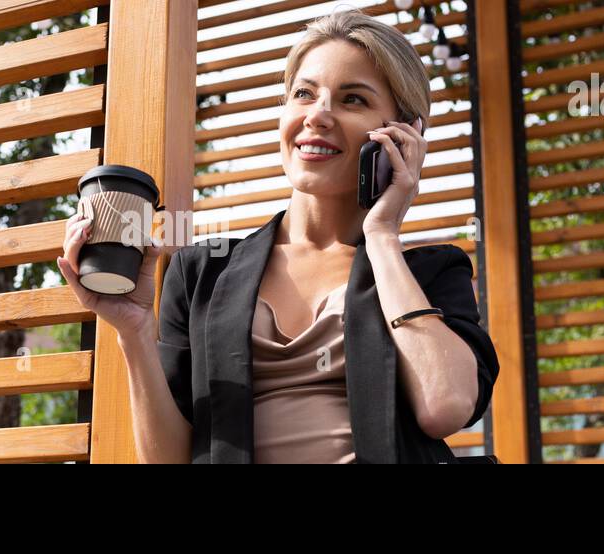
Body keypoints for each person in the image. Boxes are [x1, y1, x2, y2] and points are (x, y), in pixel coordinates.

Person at [57, 9, 499, 463]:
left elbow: (445, 406)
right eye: (304, 94)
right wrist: (134, 332)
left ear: (404, 135)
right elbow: (169, 459)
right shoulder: (200, 271)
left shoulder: (429, 273)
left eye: (353, 100)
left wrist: (383, 235)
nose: (318, 116)